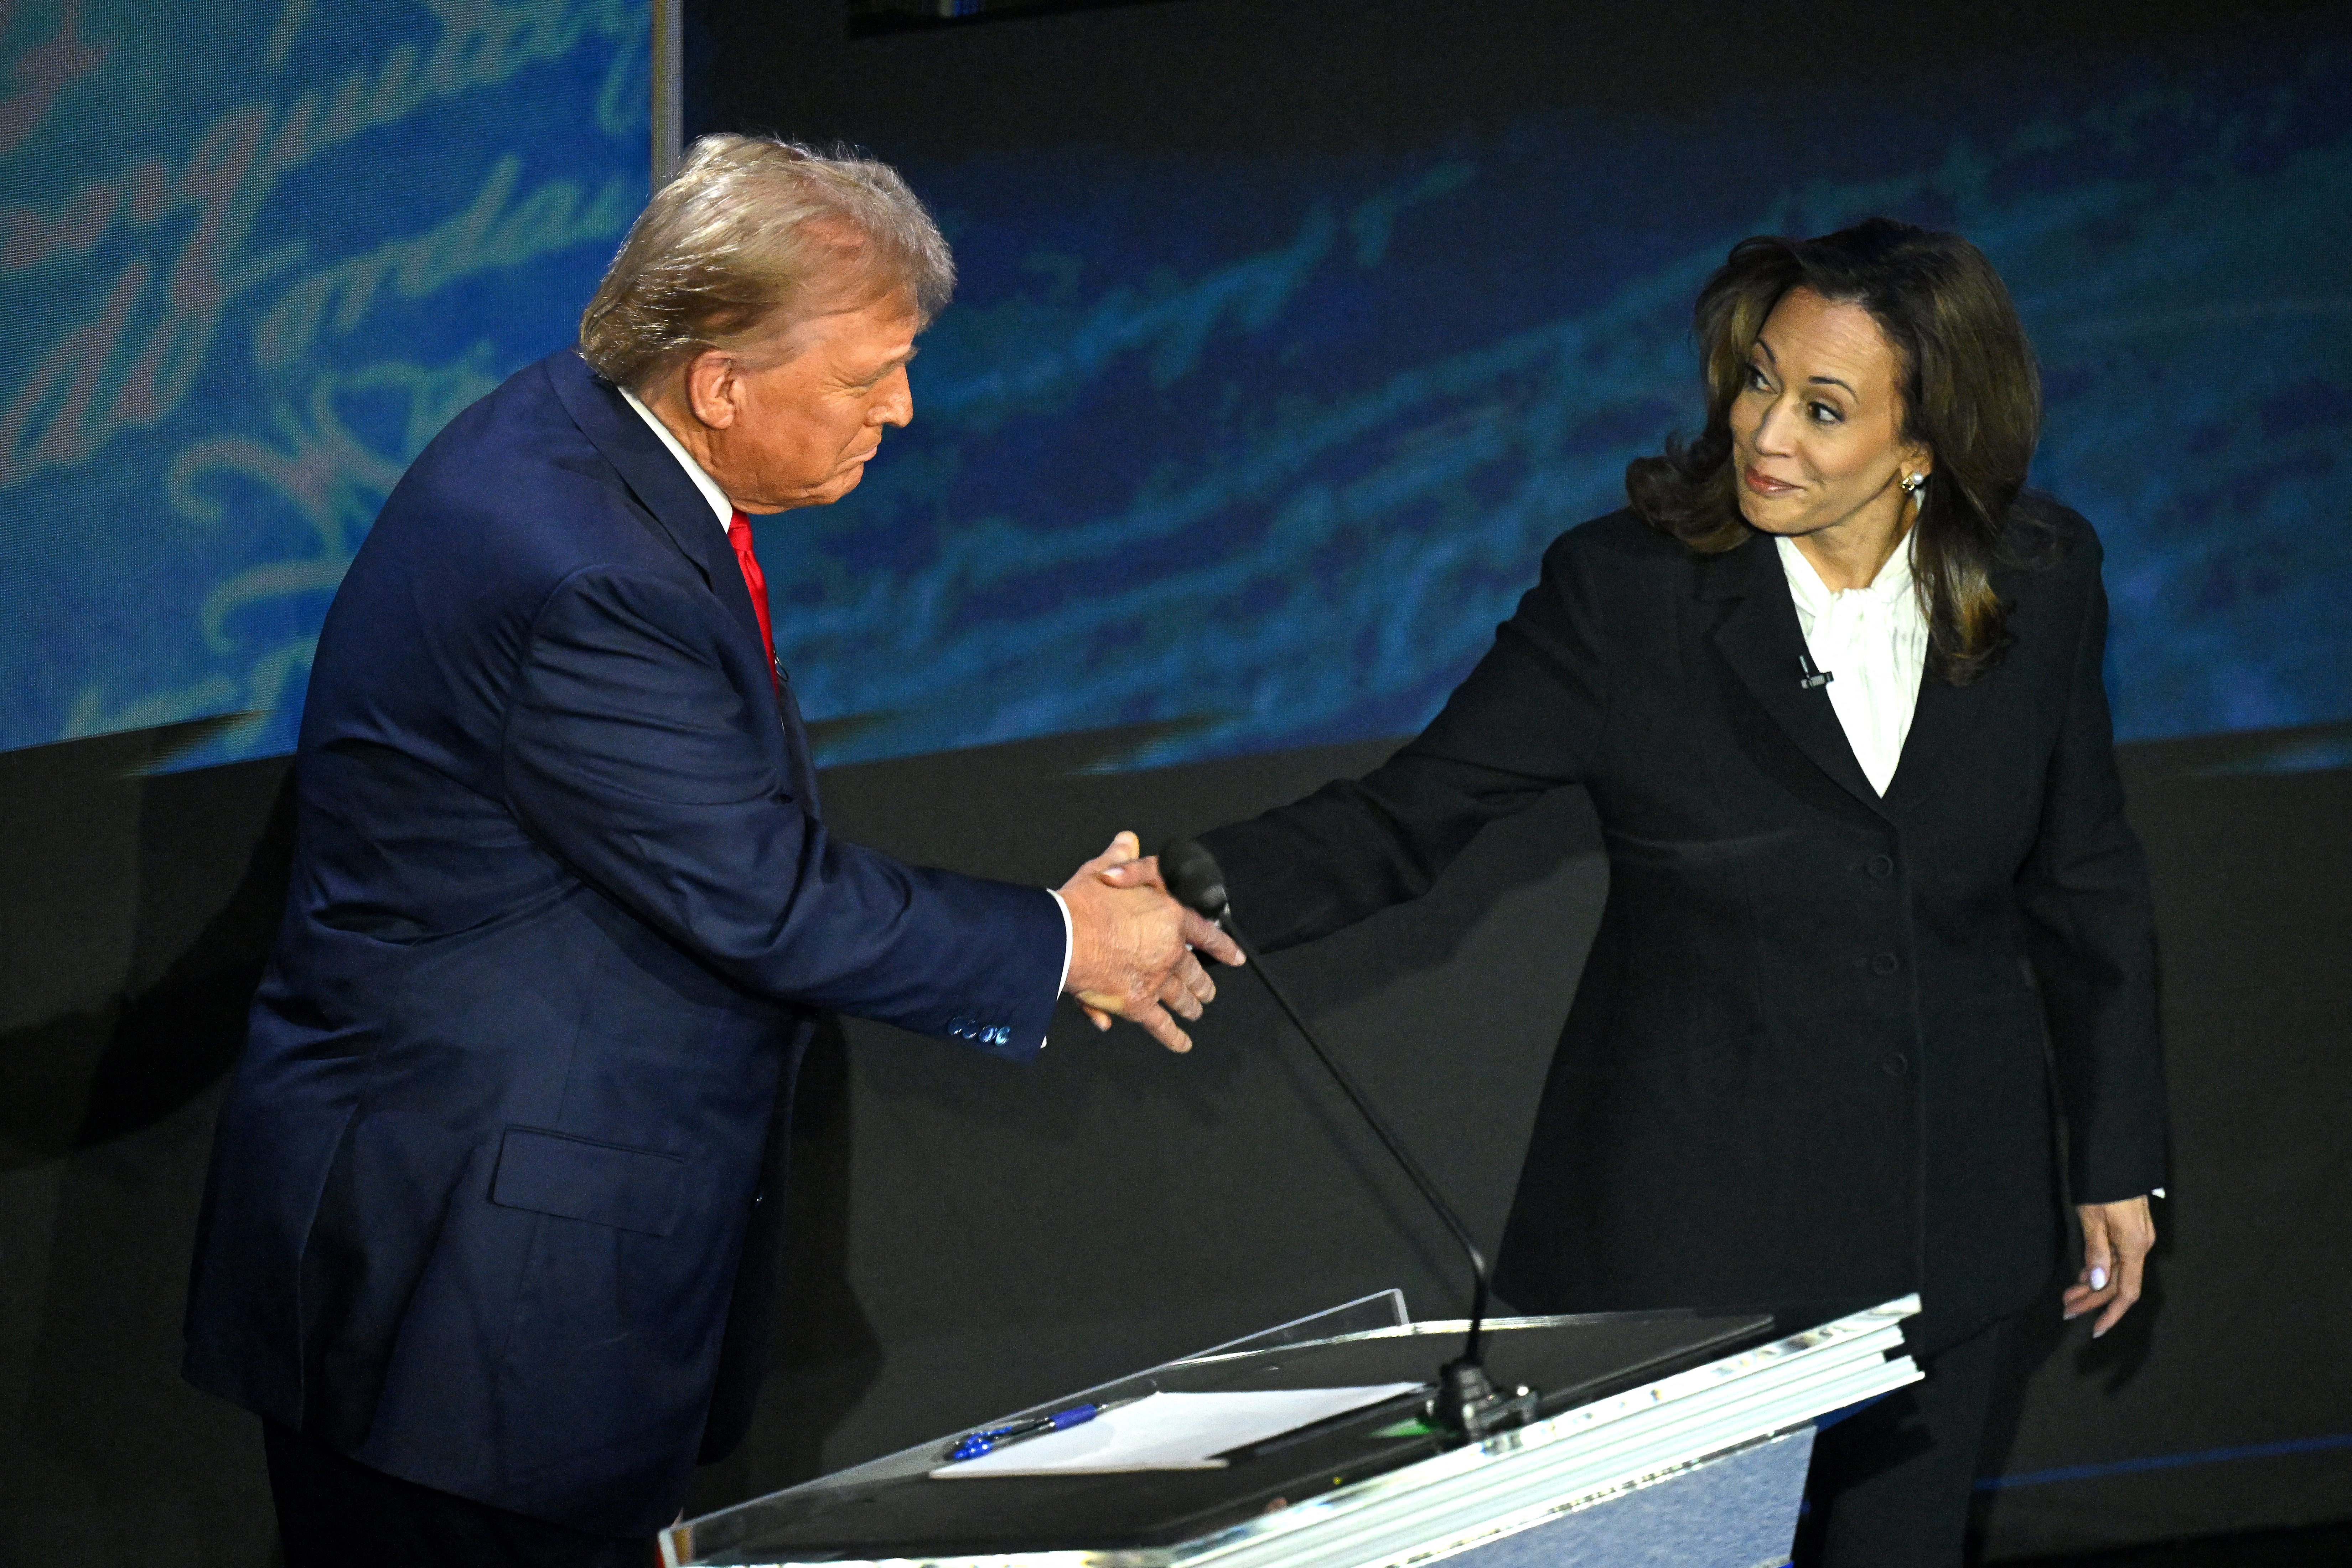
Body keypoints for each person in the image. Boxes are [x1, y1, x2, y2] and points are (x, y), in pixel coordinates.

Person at [182, 135, 1241, 1568]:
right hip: (469, 1301)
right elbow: (763, 895)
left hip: (482, 1263)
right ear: (719, 380)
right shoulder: (580, 567)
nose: (904, 411)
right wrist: (1067, 940)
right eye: (867, 379)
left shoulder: (576, 438)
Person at [1138, 218, 2166, 1567]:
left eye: (1823, 407)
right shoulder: (1626, 595)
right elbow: (1410, 815)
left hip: (1947, 1230)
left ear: (1923, 444)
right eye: (1757, 378)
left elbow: (2085, 876)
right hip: (1686, 1252)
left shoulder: (2038, 577)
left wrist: (2115, 1156)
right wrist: (1179, 892)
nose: (1765, 433)